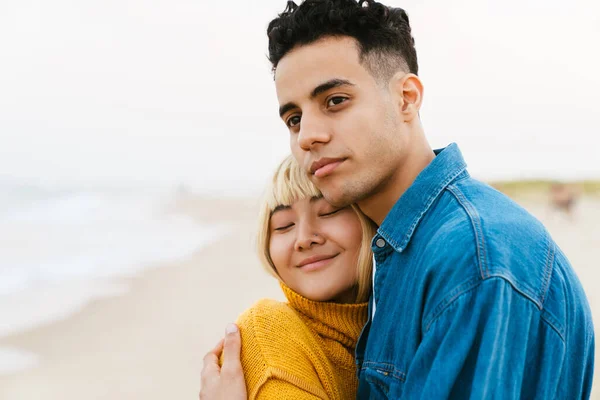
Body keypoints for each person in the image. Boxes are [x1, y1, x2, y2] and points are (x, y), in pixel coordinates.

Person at [201, 0, 595, 398]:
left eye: (335, 101)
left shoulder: (474, 259)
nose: (307, 137)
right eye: (294, 119)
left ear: (406, 97)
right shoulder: (399, 256)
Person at [202, 155, 377, 399]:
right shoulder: (268, 331)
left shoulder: (393, 322)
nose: (304, 239)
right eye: (284, 225)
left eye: (328, 212)